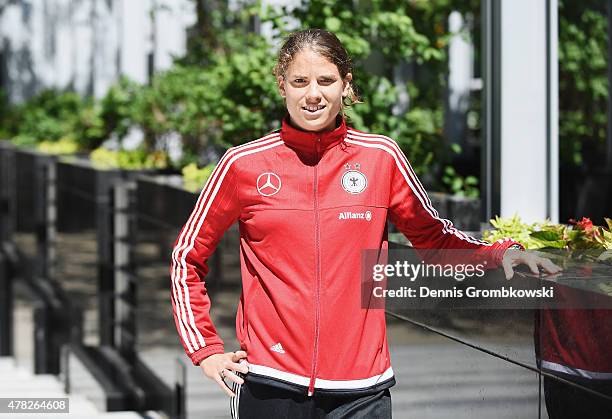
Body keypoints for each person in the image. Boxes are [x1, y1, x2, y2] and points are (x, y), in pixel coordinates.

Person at [170, 28, 561, 418]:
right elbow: (187, 256)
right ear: (281, 85)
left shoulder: (381, 157)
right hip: (269, 385)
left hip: (361, 390)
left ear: (345, 85)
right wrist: (205, 350)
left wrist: (500, 252)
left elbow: (434, 238)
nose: (313, 94)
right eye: (300, 81)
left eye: (325, 81)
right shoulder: (243, 164)